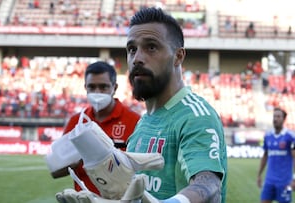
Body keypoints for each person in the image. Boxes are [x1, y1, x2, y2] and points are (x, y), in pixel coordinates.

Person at [125, 7, 227, 202]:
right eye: (132, 49)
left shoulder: (195, 117)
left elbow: (209, 184)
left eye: (151, 47)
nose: (137, 58)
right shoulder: (143, 123)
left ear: (178, 56)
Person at [50, 61, 141, 195]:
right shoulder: (76, 122)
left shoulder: (134, 121)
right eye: (92, 87)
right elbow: (55, 171)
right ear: (85, 87)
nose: (97, 92)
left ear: (114, 88)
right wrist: (75, 161)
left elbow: (144, 168)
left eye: (103, 87)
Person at [257, 107, 295, 203]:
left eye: (278, 116)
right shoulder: (268, 136)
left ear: (284, 119)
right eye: (274, 116)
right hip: (269, 180)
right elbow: (265, 156)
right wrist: (259, 175)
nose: (275, 119)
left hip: (284, 182)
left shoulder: (290, 136)